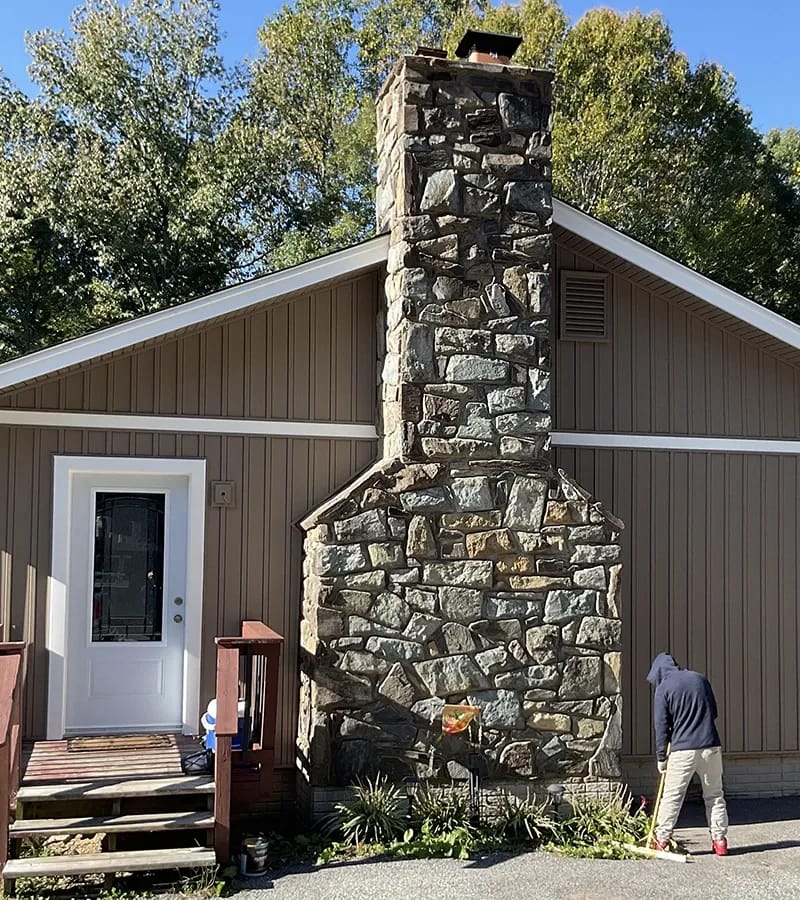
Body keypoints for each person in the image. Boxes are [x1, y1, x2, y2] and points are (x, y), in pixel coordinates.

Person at [646, 652, 729, 856]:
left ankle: (662, 840)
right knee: (715, 795)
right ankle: (720, 842)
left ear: (658, 672)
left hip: (682, 750)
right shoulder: (700, 679)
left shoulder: (663, 688)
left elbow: (661, 727)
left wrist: (661, 758)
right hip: (711, 746)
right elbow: (714, 712)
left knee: (672, 797)